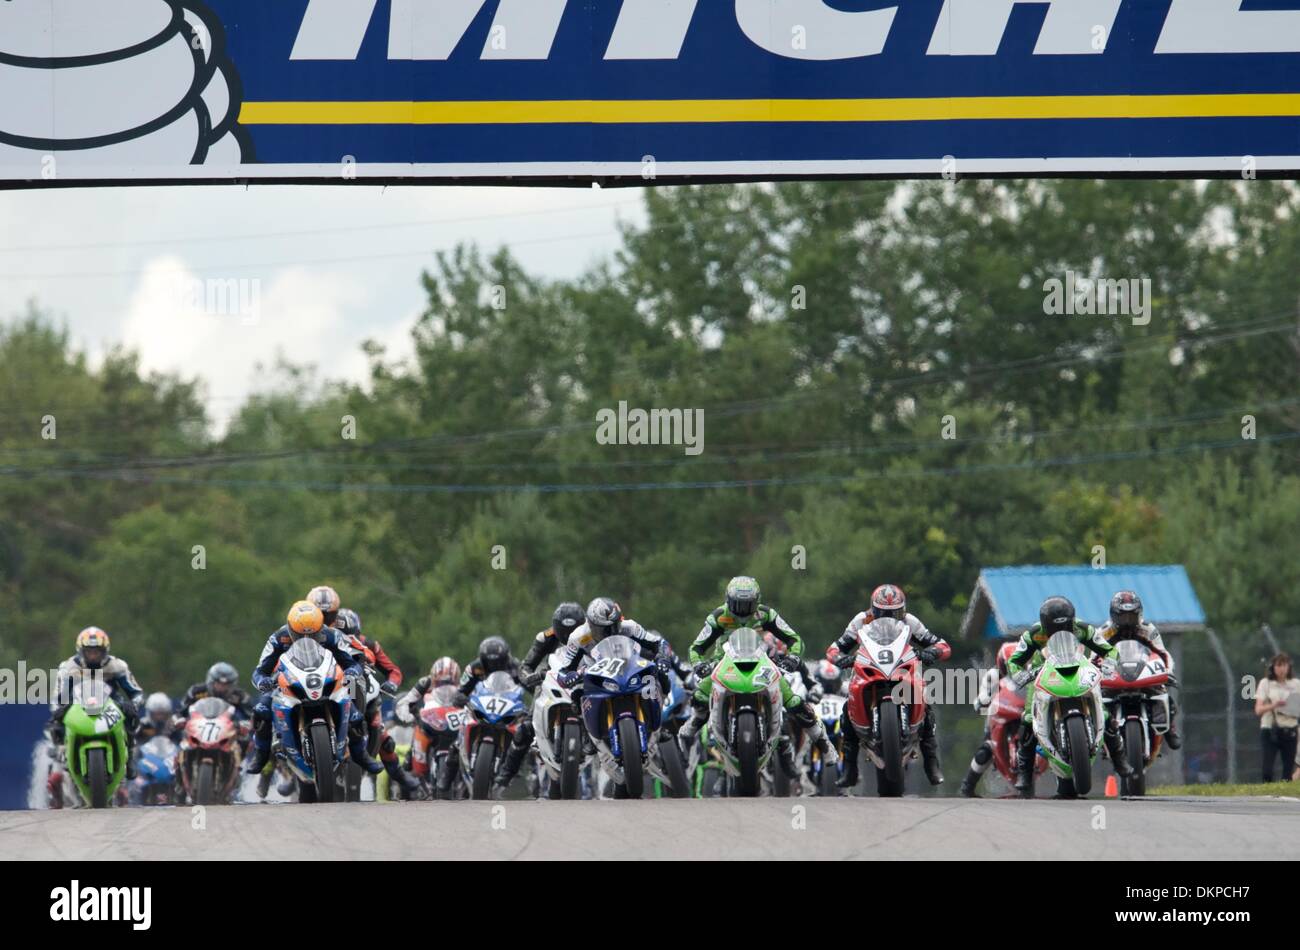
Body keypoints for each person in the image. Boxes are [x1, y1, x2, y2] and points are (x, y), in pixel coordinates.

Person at [677, 577, 838, 778]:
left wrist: (793, 658)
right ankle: (690, 728)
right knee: (700, 696)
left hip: (761, 661)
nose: (743, 610)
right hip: (723, 662)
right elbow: (697, 647)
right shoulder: (718, 616)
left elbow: (794, 638)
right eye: (738, 604)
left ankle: (825, 745)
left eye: (747, 604)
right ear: (729, 600)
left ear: (756, 601)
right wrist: (699, 664)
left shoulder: (766, 614)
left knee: (795, 702)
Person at [1007, 595, 1132, 797]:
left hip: (1078, 668)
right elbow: (1014, 660)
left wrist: (1108, 664)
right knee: (1028, 718)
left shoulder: (1083, 629)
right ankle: (1025, 772)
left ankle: (1120, 759)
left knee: (1106, 714)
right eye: (1055, 627)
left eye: (1065, 626)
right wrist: (1020, 674)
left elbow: (1109, 651)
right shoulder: (1033, 634)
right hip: (1044, 673)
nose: (1060, 630)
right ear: (1045, 624)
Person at [828, 584, 950, 787]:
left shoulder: (911, 622)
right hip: (869, 666)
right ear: (873, 610)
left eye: (894, 613)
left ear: (902, 610)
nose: (889, 617)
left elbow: (942, 645)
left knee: (927, 703)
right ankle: (849, 767)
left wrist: (932, 652)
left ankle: (931, 763)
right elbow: (834, 648)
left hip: (902, 666)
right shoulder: (860, 621)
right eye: (883, 612)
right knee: (846, 707)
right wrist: (840, 658)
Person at [244, 601, 381, 776]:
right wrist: (263, 681)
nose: (306, 640)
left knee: (355, 712)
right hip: (288, 680)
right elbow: (260, 671)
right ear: (291, 629)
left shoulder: (331, 635)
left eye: (313, 635)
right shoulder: (278, 638)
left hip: (327, 678)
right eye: (299, 636)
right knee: (260, 710)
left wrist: (353, 671)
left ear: (320, 629)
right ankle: (261, 755)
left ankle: (361, 754)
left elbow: (350, 661)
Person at [336, 608, 421, 795]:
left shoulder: (369, 644)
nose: (348, 640)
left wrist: (392, 683)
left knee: (383, 733)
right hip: (334, 690)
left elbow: (393, 670)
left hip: (362, 689)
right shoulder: (324, 643)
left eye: (351, 635)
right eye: (342, 635)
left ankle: (397, 774)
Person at [49, 627, 145, 778]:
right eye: (89, 651)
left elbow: (137, 692)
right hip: (78, 704)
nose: (93, 656)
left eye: (97, 651)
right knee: (55, 723)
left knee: (132, 716)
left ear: (105, 651)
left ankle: (130, 756)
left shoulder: (118, 666)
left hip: (110, 704)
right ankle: (62, 751)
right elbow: (58, 697)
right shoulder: (68, 667)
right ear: (81, 651)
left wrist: (133, 705)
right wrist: (59, 709)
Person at [1098, 590, 1181, 749]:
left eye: (1131, 616)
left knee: (1162, 690)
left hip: (1142, 672)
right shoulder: (1104, 632)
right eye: (1123, 616)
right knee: (1098, 698)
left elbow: (1163, 653)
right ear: (1113, 615)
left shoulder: (1148, 629)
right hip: (1114, 675)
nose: (1127, 621)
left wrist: (1168, 671)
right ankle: (1098, 731)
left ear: (1139, 614)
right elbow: (1092, 658)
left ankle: (1170, 729)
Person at [958, 642, 1018, 798]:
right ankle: (967, 785)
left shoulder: (1031, 673)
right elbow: (981, 703)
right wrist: (984, 700)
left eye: (1019, 663)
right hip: (999, 720)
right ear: (1002, 663)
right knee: (986, 750)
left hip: (1025, 716)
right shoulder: (992, 676)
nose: (1015, 668)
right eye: (1011, 664)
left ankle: (1066, 784)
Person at [519, 602, 587, 689]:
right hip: (551, 683)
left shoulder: (589, 636)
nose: (569, 635)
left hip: (582, 681)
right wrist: (530, 677)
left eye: (574, 631)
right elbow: (525, 666)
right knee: (539, 691)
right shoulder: (545, 637)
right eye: (564, 631)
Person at [1255, 653, 1299, 783]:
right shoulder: (1266, 684)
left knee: (1288, 769)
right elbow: (1258, 709)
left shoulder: (1296, 684)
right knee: (1267, 769)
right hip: (1271, 729)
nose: (1282, 669)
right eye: (1279, 665)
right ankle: (1267, 794)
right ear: (1273, 667)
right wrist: (1274, 705)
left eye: (1285, 665)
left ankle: (1283, 796)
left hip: (1290, 729)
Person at [178, 661, 254, 721]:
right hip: (199, 728)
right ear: (211, 681)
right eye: (218, 683)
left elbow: (252, 717)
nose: (222, 687)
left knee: (244, 739)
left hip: (228, 731)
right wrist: (182, 720)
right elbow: (180, 713)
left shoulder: (239, 696)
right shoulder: (196, 692)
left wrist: (244, 725)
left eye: (226, 684)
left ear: (232, 685)